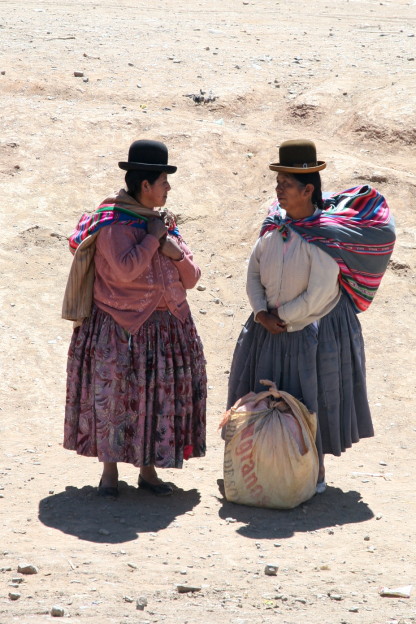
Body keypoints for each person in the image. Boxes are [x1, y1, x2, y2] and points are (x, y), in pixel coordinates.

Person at [227, 139, 395, 492]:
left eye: (286, 185)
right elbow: (253, 273)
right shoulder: (273, 228)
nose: (279, 192)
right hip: (268, 331)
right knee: (266, 401)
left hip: (307, 334)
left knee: (310, 402)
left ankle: (312, 470)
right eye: (278, 184)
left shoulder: (323, 239)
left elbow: (319, 293)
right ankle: (262, 466)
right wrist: (260, 312)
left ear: (307, 189)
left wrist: (281, 316)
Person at [62, 139, 207, 497]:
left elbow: (192, 278)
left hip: (166, 326)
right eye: (164, 182)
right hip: (119, 327)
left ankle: (149, 471)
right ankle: (109, 473)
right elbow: (126, 271)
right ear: (145, 185)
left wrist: (171, 250)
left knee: (156, 399)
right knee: (115, 400)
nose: (168, 189)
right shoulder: (113, 224)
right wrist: (152, 241)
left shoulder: (162, 224)